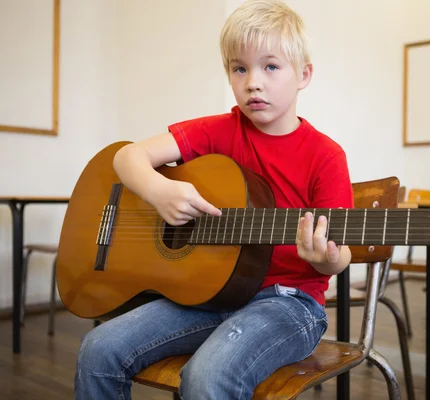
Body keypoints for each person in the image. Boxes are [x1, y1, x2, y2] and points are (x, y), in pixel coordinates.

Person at [75, 0, 354, 398]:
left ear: (303, 74)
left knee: (208, 375)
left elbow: (340, 254)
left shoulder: (326, 156)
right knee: (97, 348)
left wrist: (326, 257)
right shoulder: (217, 131)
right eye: (240, 68)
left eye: (270, 66)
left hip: (289, 304)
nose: (253, 81)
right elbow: (126, 157)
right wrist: (160, 191)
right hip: (207, 293)